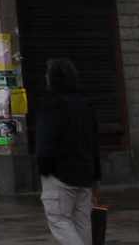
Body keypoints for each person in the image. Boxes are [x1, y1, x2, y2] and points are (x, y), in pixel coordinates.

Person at [35, 57, 100, 245]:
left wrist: (44, 169)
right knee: (82, 224)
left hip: (59, 175)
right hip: (85, 174)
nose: (46, 77)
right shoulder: (86, 103)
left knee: (59, 220)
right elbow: (94, 141)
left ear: (53, 78)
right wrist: (95, 175)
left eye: (48, 74)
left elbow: (45, 142)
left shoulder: (51, 103)